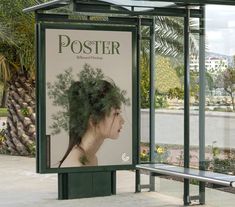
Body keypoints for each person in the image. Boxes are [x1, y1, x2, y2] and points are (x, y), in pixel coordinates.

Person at [58, 66, 129, 167]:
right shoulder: (77, 165)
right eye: (116, 114)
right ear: (94, 120)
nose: (122, 121)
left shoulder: (90, 158)